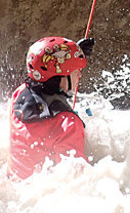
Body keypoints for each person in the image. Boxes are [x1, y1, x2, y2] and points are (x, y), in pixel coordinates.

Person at [7, 36, 95, 180]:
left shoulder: (19, 94)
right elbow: (74, 178)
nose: (80, 74)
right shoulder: (68, 123)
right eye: (75, 71)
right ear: (59, 78)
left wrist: (74, 54)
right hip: (41, 195)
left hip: (12, 180)